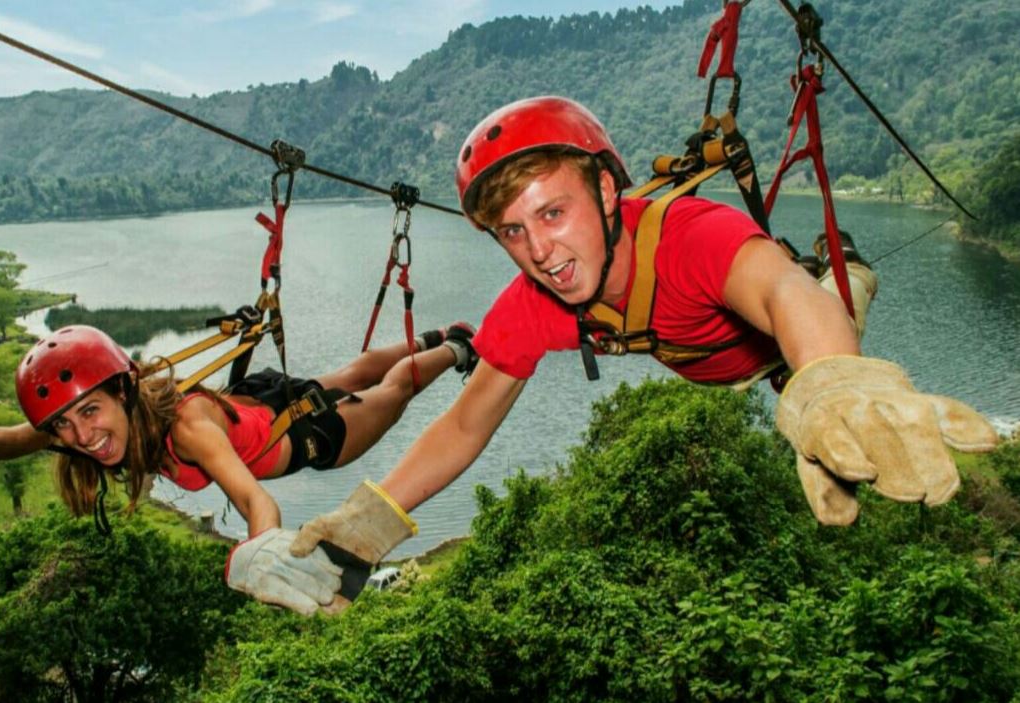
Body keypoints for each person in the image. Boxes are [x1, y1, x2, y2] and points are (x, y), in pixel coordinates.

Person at [281, 96, 1000, 600]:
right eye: (512, 231)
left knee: (835, 294)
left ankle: (846, 261)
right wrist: (367, 524)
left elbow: (784, 294)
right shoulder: (536, 303)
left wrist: (835, 388)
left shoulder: (693, 237)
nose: (540, 252)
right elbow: (466, 424)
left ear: (603, 190)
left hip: (789, 337)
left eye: (552, 213)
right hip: (717, 363)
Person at [0, 321, 478, 615]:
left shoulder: (186, 428)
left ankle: (459, 349)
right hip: (257, 400)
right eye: (63, 427)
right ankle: (437, 336)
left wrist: (264, 560)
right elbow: (10, 438)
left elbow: (257, 502)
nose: (81, 438)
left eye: (89, 413)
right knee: (353, 373)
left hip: (307, 435)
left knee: (394, 387)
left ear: (124, 388)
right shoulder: (98, 417)